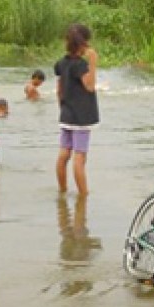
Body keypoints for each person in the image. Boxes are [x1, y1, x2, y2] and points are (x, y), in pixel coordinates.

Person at [55, 23, 99, 195]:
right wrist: (93, 63)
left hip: (66, 114)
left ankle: (63, 190)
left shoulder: (61, 64)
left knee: (63, 154)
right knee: (79, 158)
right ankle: (83, 195)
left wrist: (63, 108)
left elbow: (59, 90)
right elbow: (89, 86)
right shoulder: (80, 65)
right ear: (83, 44)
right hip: (81, 117)